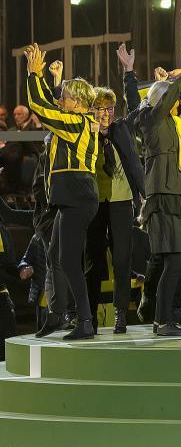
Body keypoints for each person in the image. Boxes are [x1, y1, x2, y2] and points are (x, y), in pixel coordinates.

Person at [23, 44, 100, 340]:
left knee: (67, 260)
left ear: (77, 101)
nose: (61, 99)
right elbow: (50, 105)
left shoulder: (77, 122)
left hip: (77, 196)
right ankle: (57, 315)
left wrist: (35, 75)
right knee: (55, 255)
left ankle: (84, 321)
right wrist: (44, 79)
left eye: (65, 96)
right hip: (71, 197)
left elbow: (42, 108)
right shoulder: (76, 121)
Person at [137, 46, 181, 336]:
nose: (177, 102)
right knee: (173, 260)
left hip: (180, 196)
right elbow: (174, 93)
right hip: (163, 196)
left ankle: (163, 319)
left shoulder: (177, 124)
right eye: (171, 98)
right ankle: (162, 320)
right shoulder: (150, 120)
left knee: (179, 261)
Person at [83, 62, 145, 333]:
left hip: (121, 201)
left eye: (109, 108)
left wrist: (129, 73)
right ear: (92, 110)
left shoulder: (122, 129)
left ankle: (121, 314)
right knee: (94, 261)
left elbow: (136, 108)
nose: (106, 113)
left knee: (122, 260)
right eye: (100, 108)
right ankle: (90, 316)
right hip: (94, 204)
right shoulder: (85, 133)